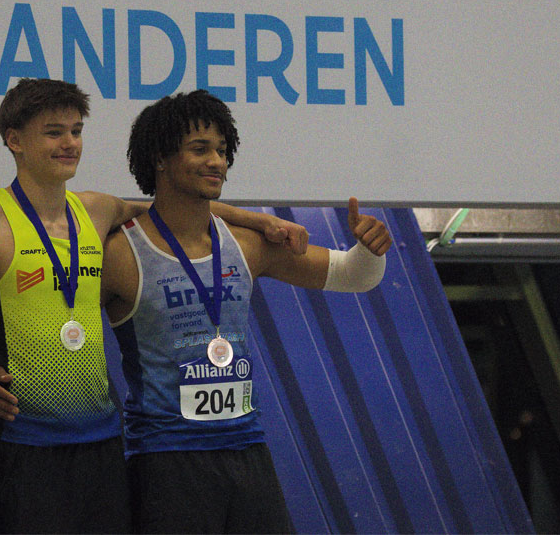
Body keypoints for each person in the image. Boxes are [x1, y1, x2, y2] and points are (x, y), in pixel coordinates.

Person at [0, 78, 310, 533]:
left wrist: (257, 221)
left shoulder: (98, 209)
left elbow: (175, 206)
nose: (69, 143)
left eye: (76, 131)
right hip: (24, 441)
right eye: (53, 132)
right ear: (15, 140)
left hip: (102, 443)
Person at [102, 90, 392, 534]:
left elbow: (353, 274)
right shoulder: (119, 252)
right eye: (200, 149)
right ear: (160, 157)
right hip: (166, 461)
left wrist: (370, 250)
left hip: (248, 454)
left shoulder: (247, 244)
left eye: (221, 150)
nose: (216, 161)